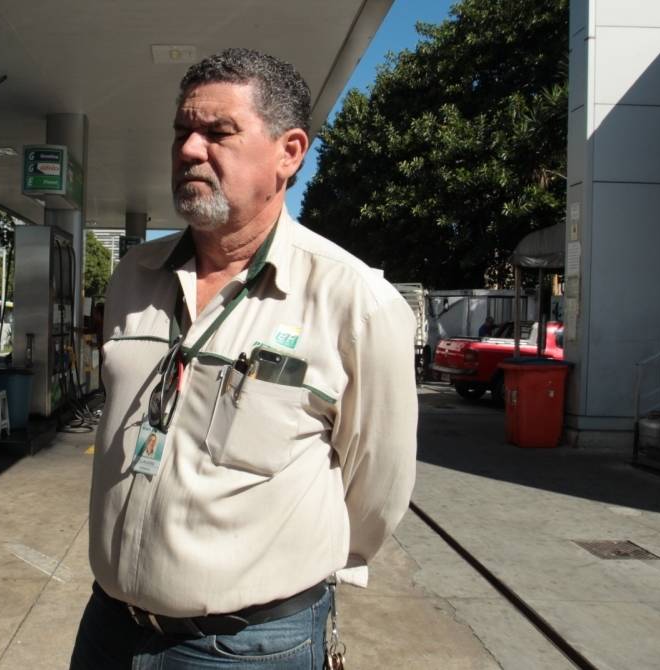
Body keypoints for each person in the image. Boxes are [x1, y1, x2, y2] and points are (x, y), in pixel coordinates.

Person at [70, 49, 418, 669]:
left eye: (218, 133)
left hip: (250, 648)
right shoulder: (133, 276)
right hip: (109, 629)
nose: (189, 150)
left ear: (289, 153)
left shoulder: (354, 302)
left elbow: (377, 492)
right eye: (182, 131)